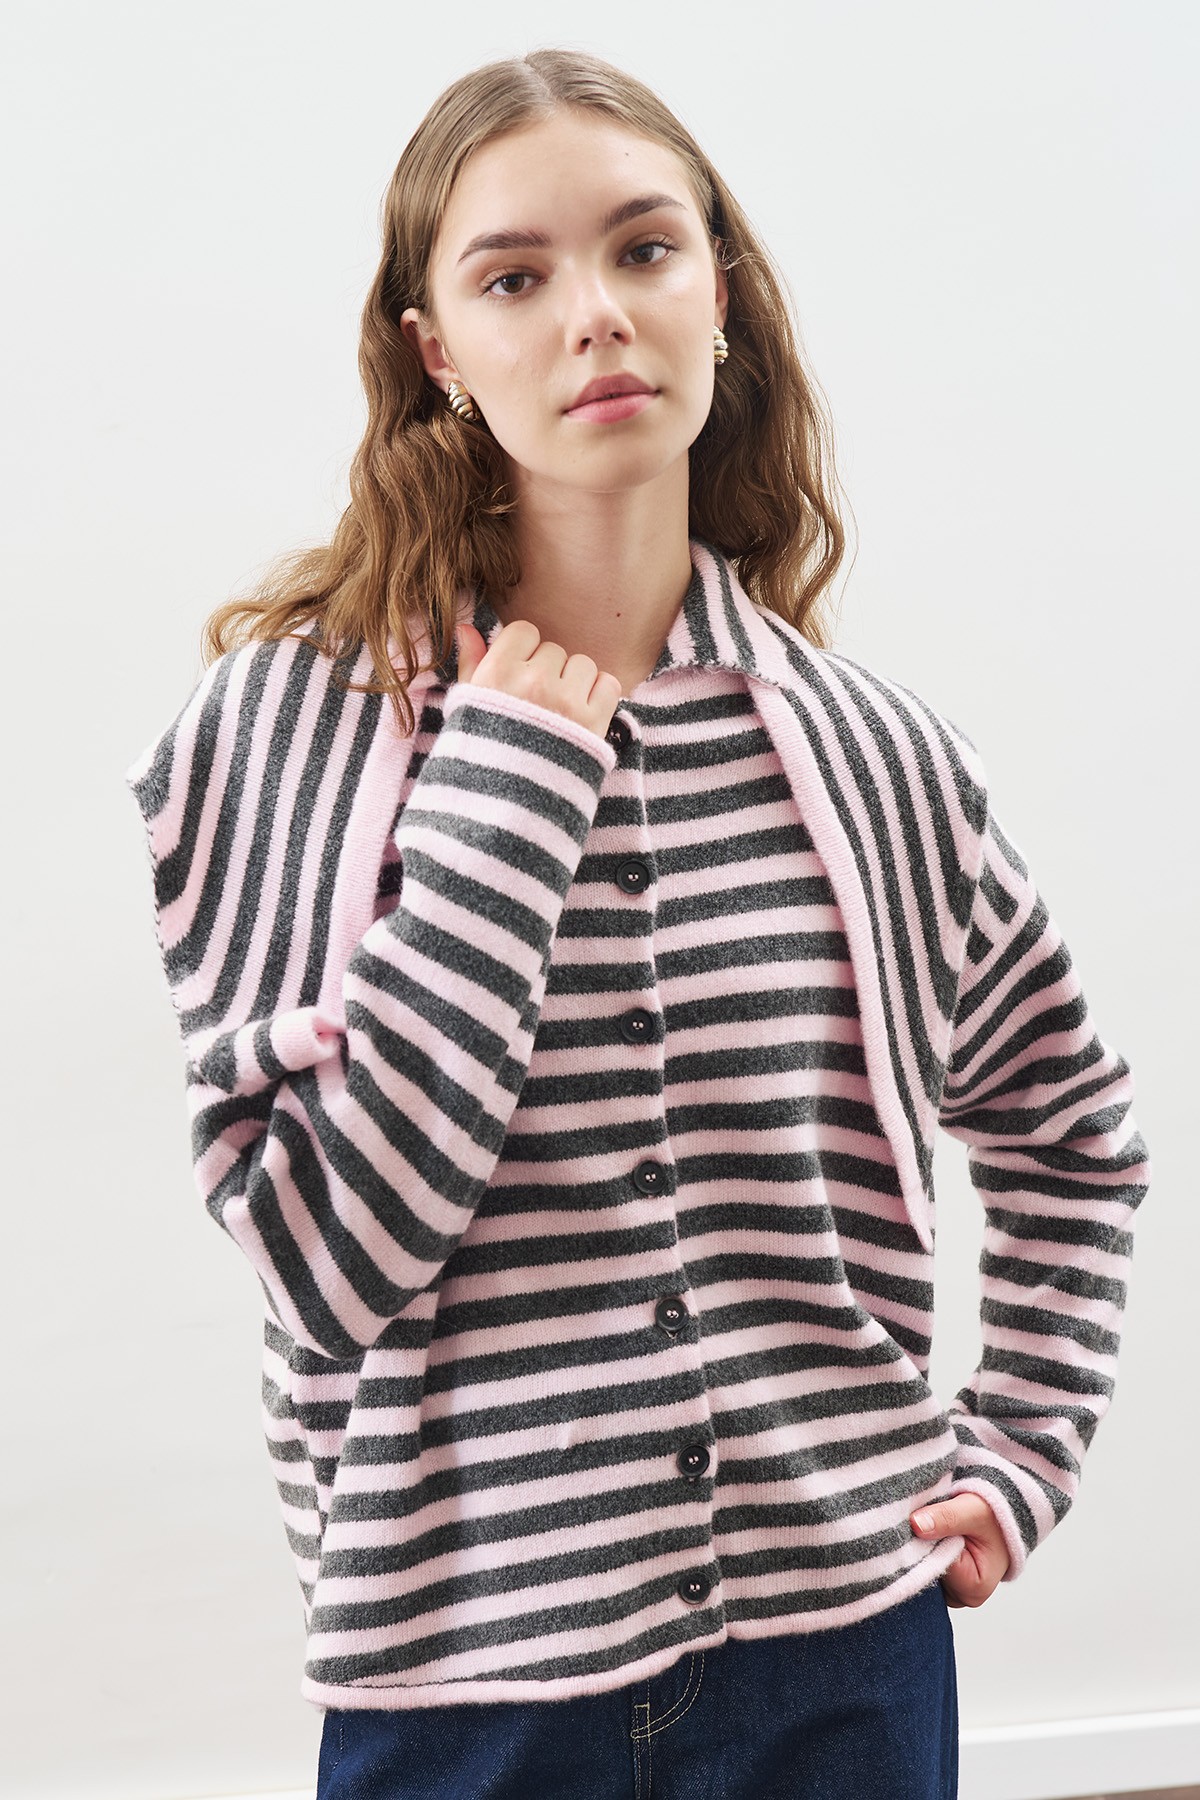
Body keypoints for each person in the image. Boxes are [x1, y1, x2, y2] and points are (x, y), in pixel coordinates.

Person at [124, 47, 1150, 1800]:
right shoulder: (281, 738)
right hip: (466, 1689)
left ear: (720, 295)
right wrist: (512, 790)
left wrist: (1021, 1448)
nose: (594, 312)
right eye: (514, 277)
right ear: (437, 352)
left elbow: (1071, 1135)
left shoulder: (879, 755)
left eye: (644, 250)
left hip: (844, 1665)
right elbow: (328, 1263)